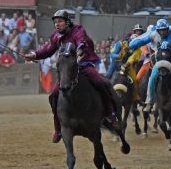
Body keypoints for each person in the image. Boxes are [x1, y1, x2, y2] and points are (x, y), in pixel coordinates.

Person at [24, 10, 120, 143]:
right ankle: (58, 128)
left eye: (60, 21)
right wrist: (34, 55)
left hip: (84, 63)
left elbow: (81, 41)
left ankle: (111, 115)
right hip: (68, 69)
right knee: (53, 94)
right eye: (55, 22)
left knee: (101, 82)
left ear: (67, 22)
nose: (57, 24)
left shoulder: (77, 30)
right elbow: (47, 50)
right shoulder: (55, 36)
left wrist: (80, 50)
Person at [128, 19, 171, 112]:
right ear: (157, 30)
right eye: (160, 30)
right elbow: (138, 41)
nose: (162, 32)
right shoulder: (153, 34)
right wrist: (131, 44)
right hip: (160, 59)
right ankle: (149, 102)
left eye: (164, 29)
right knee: (152, 78)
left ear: (167, 28)